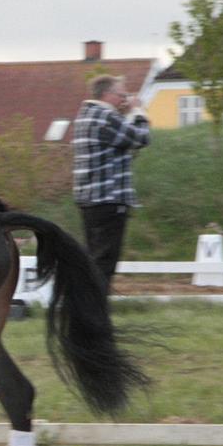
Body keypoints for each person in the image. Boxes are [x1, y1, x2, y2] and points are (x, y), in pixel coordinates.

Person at [71, 74, 151, 294]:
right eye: (122, 94)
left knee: (92, 257)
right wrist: (137, 111)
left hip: (88, 200)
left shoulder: (85, 116)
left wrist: (124, 114)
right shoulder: (106, 117)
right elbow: (141, 138)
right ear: (108, 94)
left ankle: (87, 302)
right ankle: (97, 308)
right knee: (105, 262)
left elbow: (119, 139)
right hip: (109, 199)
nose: (125, 98)